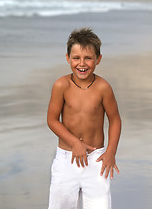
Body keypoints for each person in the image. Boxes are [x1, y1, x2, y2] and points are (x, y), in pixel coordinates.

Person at [47, 28, 121, 209]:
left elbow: (115, 120)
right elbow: (52, 119)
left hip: (96, 160)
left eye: (88, 58)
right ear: (67, 58)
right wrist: (74, 143)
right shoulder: (61, 85)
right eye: (76, 58)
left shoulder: (103, 87)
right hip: (66, 160)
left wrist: (111, 152)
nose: (82, 63)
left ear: (98, 59)